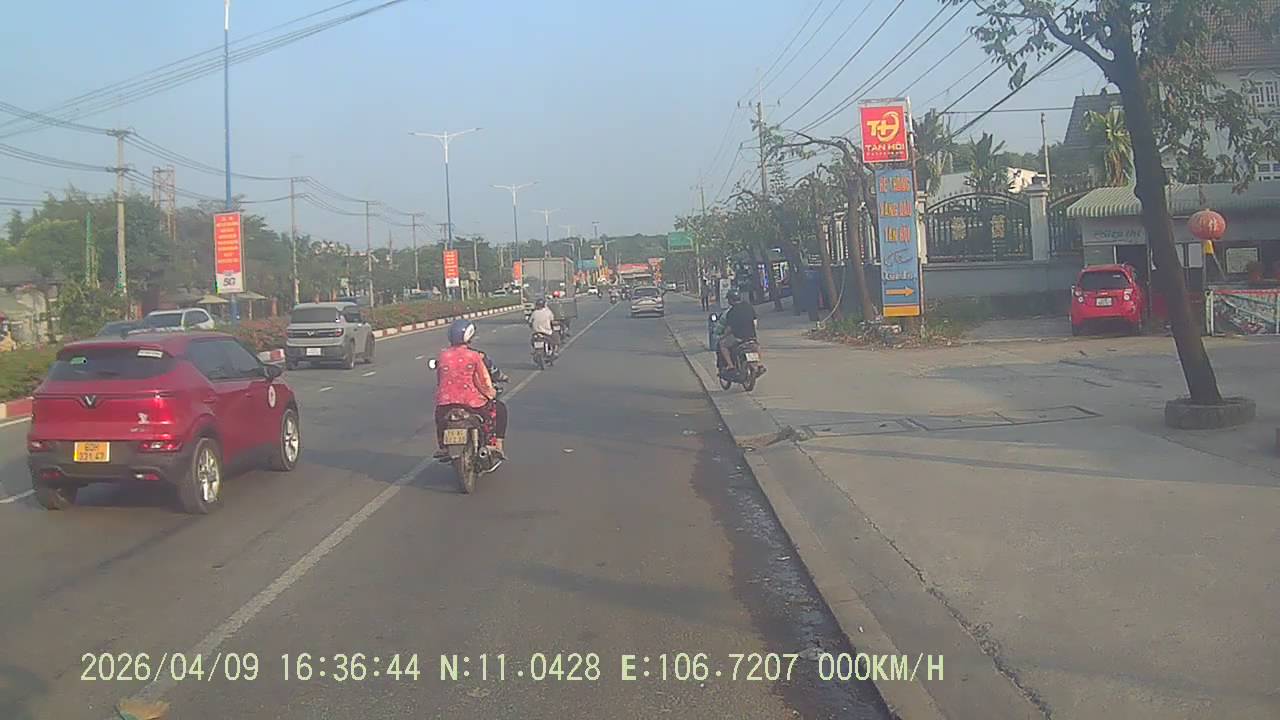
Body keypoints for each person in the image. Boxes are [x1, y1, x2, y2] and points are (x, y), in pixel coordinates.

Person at [433, 319, 508, 462]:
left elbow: (440, 380)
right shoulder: (474, 356)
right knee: (494, 414)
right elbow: (483, 379)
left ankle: (443, 446)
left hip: (445, 402)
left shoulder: (443, 355)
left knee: (440, 420)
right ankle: (493, 444)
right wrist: (490, 393)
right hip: (472, 402)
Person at [717, 290, 757, 375]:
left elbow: (729, 329)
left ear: (731, 300)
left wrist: (723, 336)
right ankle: (759, 365)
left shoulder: (731, 312)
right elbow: (755, 322)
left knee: (722, 344)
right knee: (756, 346)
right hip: (751, 336)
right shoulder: (748, 306)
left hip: (738, 338)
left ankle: (730, 365)